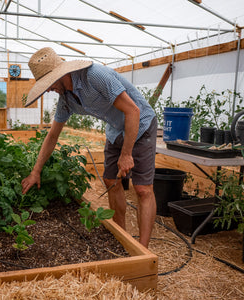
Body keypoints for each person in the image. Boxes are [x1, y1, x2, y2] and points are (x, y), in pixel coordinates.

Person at [20, 47, 157, 248]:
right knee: (111, 180)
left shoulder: (95, 76)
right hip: (116, 130)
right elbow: (52, 135)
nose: (48, 89)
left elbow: (133, 111)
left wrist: (126, 154)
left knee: (143, 189)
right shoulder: (66, 99)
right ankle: (122, 239)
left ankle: (143, 252)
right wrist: (35, 171)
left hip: (140, 124)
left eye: (49, 84)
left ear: (61, 75)